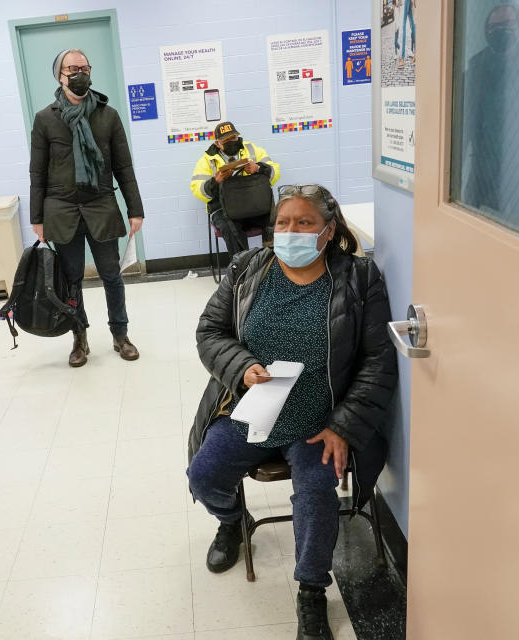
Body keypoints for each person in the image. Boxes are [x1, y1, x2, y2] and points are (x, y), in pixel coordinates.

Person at [187, 184, 397, 639]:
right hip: (251, 409)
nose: (291, 231)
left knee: (318, 496)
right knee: (203, 476)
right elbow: (210, 331)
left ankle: (311, 592)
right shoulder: (247, 269)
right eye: (283, 223)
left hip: (320, 421)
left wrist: (344, 426)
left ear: (328, 231)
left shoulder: (358, 279)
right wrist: (241, 367)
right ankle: (231, 520)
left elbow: (378, 361)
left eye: (304, 223)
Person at [29, 48, 145, 367]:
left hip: (101, 206)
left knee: (111, 275)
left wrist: (135, 209)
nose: (80, 73)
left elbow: (124, 166)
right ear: (60, 75)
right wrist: (36, 218)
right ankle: (79, 337)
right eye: (72, 68)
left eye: (84, 67)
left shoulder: (107, 115)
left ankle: (120, 335)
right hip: (61, 210)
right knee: (72, 279)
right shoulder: (45, 119)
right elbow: (37, 172)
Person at [461, 3, 519, 211]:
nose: (499, 31)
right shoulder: (475, 73)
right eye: (493, 26)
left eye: (506, 24)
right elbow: (462, 133)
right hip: (482, 177)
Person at [190, 121, 281, 256]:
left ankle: (271, 260)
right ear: (217, 143)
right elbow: (198, 190)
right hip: (223, 209)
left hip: (253, 203)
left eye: (233, 138)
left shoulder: (252, 149)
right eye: (225, 140)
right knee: (229, 227)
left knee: (275, 218)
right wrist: (216, 181)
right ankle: (243, 267)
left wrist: (258, 168)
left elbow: (275, 173)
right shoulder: (207, 160)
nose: (231, 141)